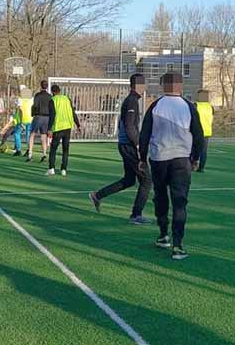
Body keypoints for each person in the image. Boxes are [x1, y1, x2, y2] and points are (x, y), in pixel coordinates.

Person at [141, 72, 204, 260]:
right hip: (181, 159)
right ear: (181, 85)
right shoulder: (188, 106)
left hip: (159, 158)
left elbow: (145, 133)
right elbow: (198, 135)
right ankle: (178, 245)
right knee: (179, 201)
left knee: (160, 197)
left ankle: (163, 235)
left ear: (163, 85)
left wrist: (142, 157)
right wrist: (195, 157)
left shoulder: (155, 105)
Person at [89, 73, 152, 224]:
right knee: (146, 180)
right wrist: (137, 145)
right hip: (129, 146)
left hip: (125, 145)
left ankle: (98, 195)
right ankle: (136, 215)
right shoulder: (131, 102)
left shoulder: (131, 101)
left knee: (130, 179)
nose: (144, 88)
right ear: (137, 86)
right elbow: (129, 126)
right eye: (143, 85)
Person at [46, 84, 81, 176]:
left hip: (58, 127)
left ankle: (51, 168)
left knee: (53, 149)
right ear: (60, 91)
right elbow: (73, 112)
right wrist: (78, 124)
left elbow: (52, 116)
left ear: (52, 92)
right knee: (65, 149)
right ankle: (63, 169)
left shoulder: (52, 101)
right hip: (67, 127)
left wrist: (49, 129)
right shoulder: (67, 99)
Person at [25, 80, 52, 162]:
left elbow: (35, 105)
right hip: (47, 118)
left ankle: (30, 154)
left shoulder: (37, 95)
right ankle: (44, 154)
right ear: (47, 87)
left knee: (32, 134)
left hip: (38, 116)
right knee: (43, 136)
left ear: (41, 86)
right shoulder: (50, 96)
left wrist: (33, 113)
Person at [194, 90, 214, 172]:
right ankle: (201, 168)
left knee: (194, 149)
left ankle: (193, 164)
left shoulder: (196, 105)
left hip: (197, 130)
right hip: (207, 131)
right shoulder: (210, 106)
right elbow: (212, 119)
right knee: (204, 151)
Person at [13, 88, 34, 157]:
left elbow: (21, 110)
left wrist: (21, 121)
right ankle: (29, 150)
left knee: (17, 133)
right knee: (28, 135)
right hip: (30, 118)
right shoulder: (32, 99)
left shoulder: (20, 99)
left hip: (23, 119)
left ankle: (18, 150)